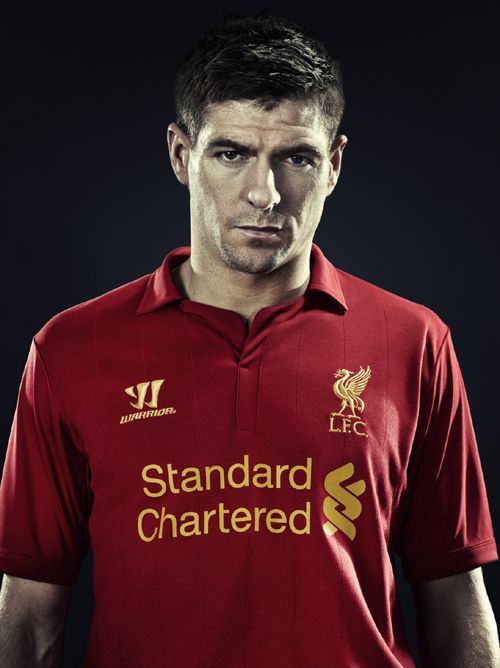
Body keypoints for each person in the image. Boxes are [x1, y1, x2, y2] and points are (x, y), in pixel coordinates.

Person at [0, 11, 498, 668]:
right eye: (231, 153)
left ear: (333, 165)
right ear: (182, 155)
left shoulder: (413, 341)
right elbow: (30, 611)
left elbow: (454, 590)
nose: (265, 194)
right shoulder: (71, 349)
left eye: (296, 157)